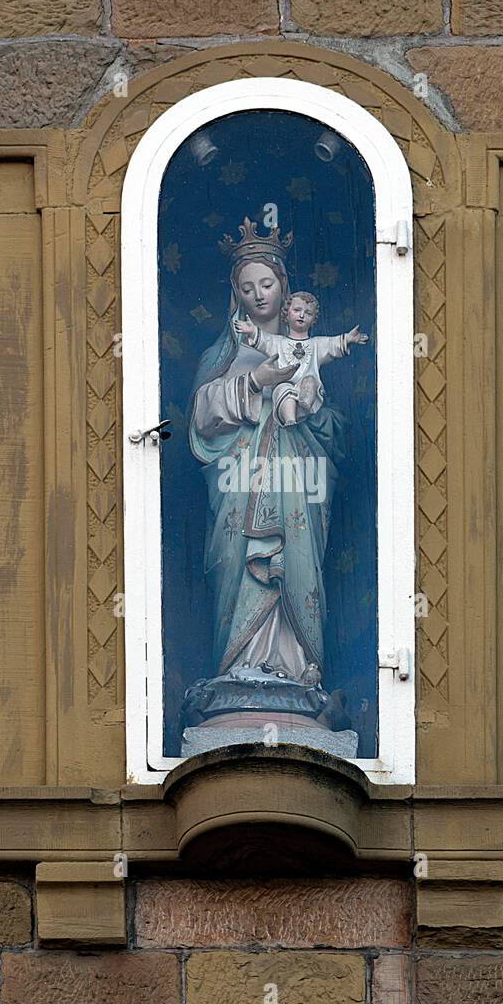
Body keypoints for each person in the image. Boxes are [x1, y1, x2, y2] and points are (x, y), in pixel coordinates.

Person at [188, 219, 349, 693]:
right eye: (246, 288)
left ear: (284, 287)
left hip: (298, 485)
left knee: (294, 561)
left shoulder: (307, 353)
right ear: (235, 295)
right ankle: (239, 669)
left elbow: (338, 434)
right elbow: (200, 418)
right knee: (240, 569)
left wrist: (309, 416)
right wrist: (256, 383)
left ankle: (298, 669)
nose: (258, 296)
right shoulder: (222, 354)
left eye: (267, 284)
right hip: (239, 487)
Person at [234, 289, 367, 427]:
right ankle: (290, 419)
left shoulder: (317, 344)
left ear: (313, 319)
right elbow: (264, 340)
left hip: (308, 393)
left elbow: (333, 344)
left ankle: (304, 406)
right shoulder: (278, 342)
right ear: (287, 313)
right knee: (283, 389)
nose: (302, 315)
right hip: (284, 389)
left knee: (310, 381)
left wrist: (348, 339)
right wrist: (251, 330)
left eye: (308, 313)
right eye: (297, 310)